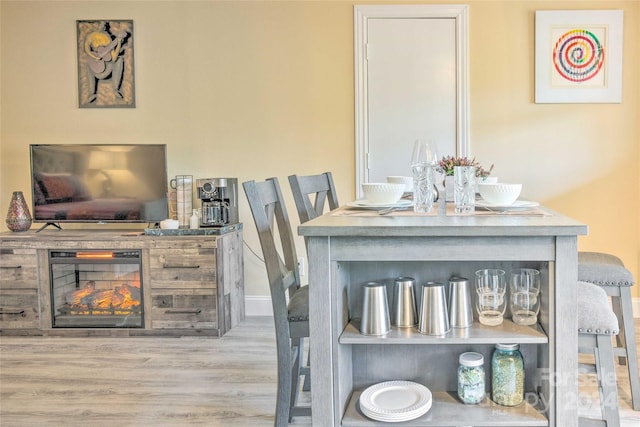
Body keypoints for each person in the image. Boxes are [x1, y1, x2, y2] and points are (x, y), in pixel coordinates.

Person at [83, 22, 129, 103]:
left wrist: (118, 42)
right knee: (87, 64)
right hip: (95, 66)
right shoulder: (92, 35)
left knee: (119, 60)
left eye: (104, 24)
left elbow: (114, 58)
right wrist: (94, 56)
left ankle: (116, 89)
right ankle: (91, 93)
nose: (102, 25)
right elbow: (86, 47)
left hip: (107, 67)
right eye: (100, 24)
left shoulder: (108, 39)